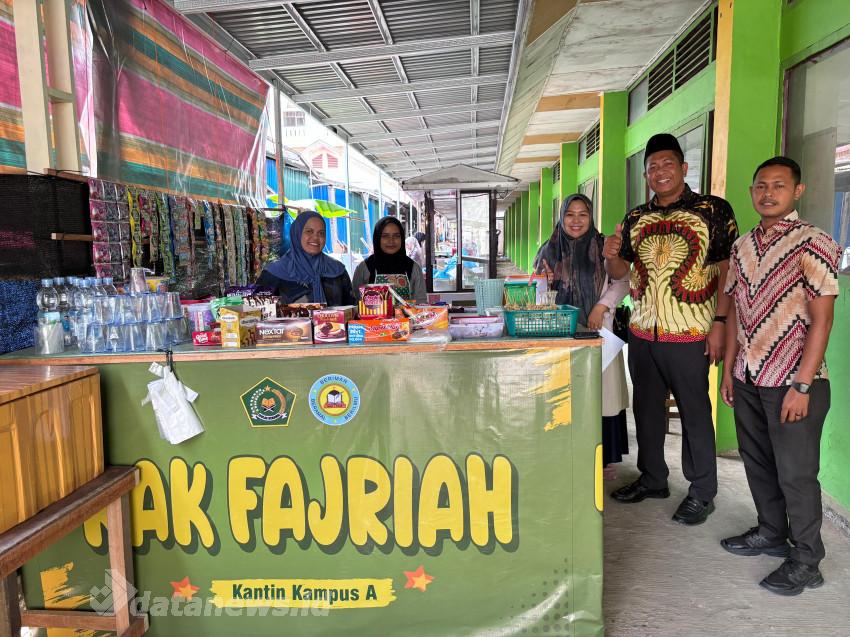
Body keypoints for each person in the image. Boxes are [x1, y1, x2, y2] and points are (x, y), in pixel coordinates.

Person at [720, 157, 841, 596]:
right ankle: (772, 532)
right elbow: (735, 309)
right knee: (758, 464)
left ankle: (807, 559)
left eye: (778, 185)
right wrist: (731, 370)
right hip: (750, 376)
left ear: (797, 191)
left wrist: (803, 385)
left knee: (796, 474)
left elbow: (822, 321)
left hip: (794, 380)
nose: (767, 193)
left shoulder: (815, 242)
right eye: (760, 186)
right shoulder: (742, 246)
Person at [603, 133, 738, 525]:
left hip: (692, 332)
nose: (659, 172)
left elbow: (728, 272)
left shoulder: (712, 210)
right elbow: (620, 273)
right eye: (652, 167)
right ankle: (653, 478)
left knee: (695, 411)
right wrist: (612, 254)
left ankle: (702, 491)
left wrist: (720, 323)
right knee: (645, 411)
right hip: (643, 333)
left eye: (667, 164)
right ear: (645, 175)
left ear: (683, 167)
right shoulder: (634, 218)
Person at [537, 194, 630, 479]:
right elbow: (537, 287)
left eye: (583, 214)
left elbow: (623, 281)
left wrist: (602, 306)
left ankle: (603, 458)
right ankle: (568, 452)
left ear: (591, 218)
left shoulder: (604, 245)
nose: (576, 220)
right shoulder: (548, 249)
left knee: (601, 394)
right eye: (570, 214)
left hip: (597, 328)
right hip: (559, 331)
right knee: (566, 393)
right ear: (561, 217)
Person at [257, 210, 356, 305]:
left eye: (321, 233)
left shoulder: (337, 270)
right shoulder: (274, 273)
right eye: (309, 231)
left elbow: (352, 309)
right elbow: (257, 311)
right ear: (297, 233)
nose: (316, 237)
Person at [352, 217, 427, 303]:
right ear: (377, 238)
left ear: (402, 238)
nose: (391, 240)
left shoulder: (413, 268)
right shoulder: (364, 268)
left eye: (396, 236)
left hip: (408, 316)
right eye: (385, 236)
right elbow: (355, 302)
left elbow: (421, 303)